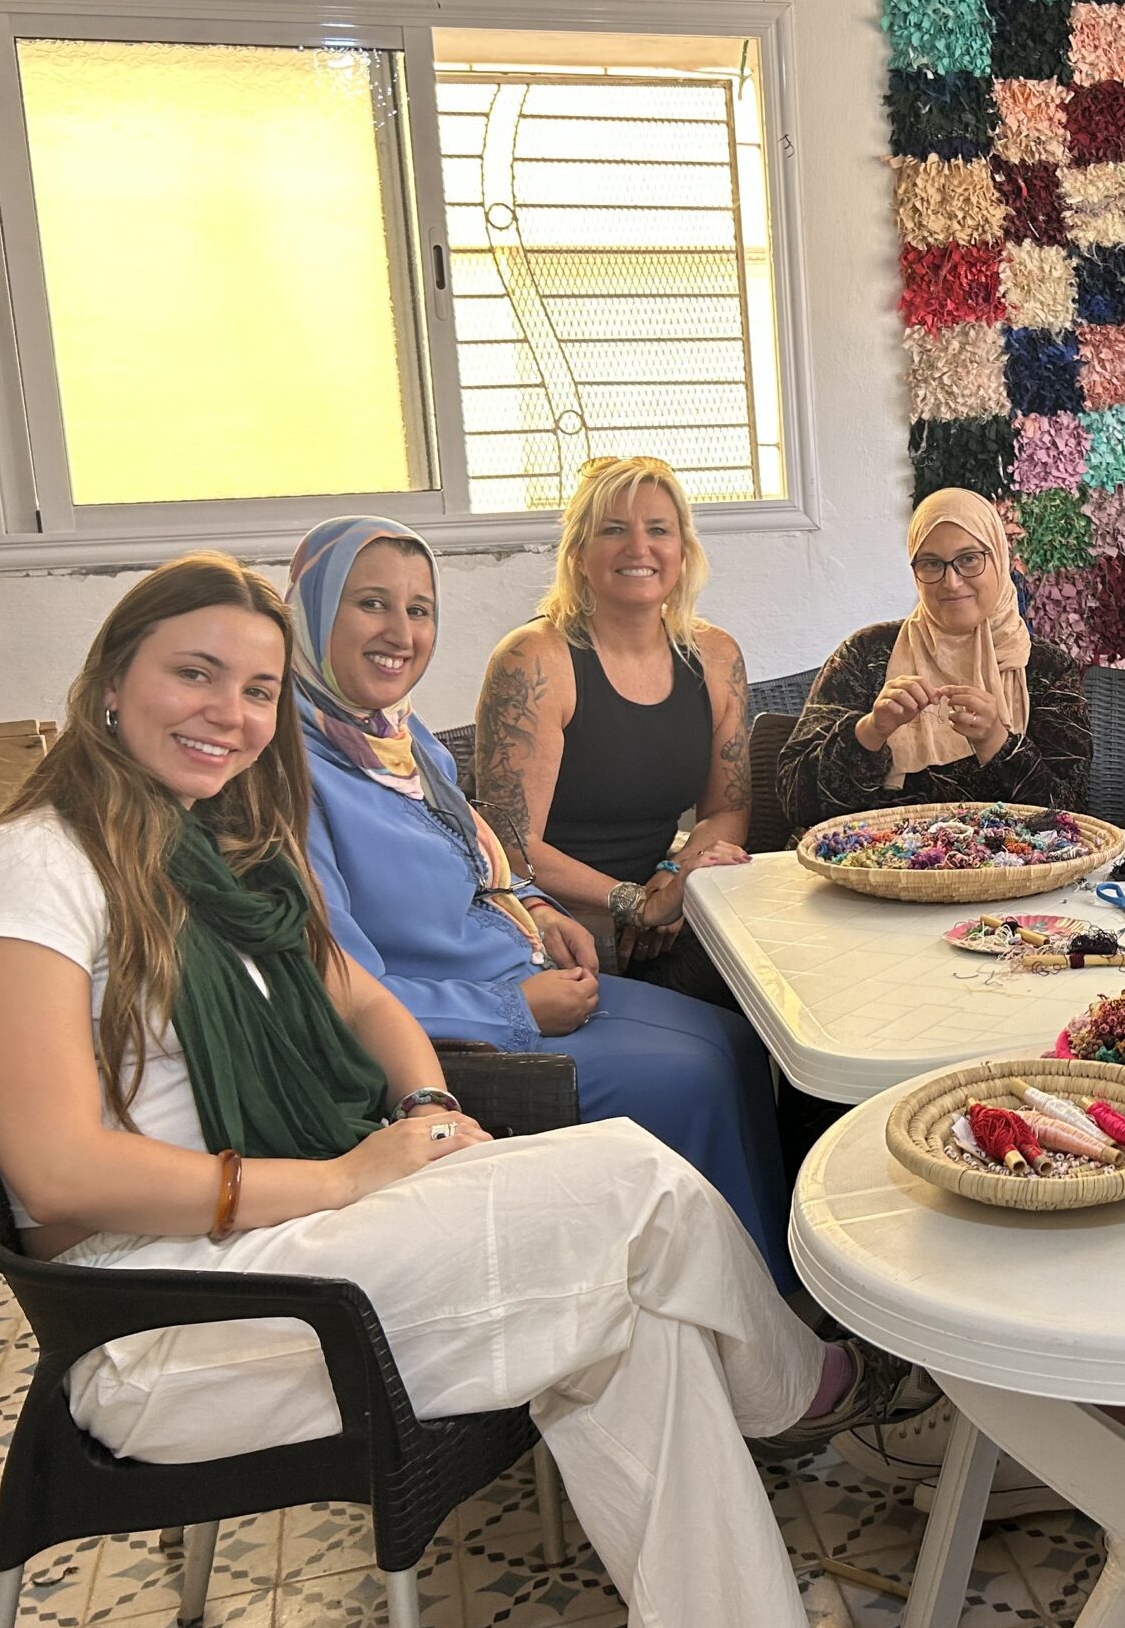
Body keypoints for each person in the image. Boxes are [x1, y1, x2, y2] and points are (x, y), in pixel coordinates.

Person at [0, 554, 910, 1628]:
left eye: (253, 689)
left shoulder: (219, 850)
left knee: (643, 1331)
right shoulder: (34, 867)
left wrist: (427, 1107)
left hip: (291, 1258)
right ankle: (801, 1387)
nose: (230, 715)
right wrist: (342, 1178)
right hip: (166, 1318)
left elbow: (363, 998)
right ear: (108, 686)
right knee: (636, 1187)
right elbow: (58, 1171)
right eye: (194, 674)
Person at [287, 516, 791, 1287]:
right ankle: (735, 1317)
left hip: (524, 967)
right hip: (470, 1027)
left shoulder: (396, 735)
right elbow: (335, 994)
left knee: (742, 1041)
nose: (400, 630)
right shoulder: (293, 776)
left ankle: (774, 1286)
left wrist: (544, 911)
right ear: (312, 612)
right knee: (695, 1077)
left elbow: (483, 855)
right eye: (370, 604)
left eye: (418, 609)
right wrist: (518, 1011)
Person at [472, 456, 752, 998]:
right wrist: (634, 902)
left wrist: (678, 880)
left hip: (664, 905)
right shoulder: (533, 659)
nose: (639, 548)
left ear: (683, 551)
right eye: (614, 530)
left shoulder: (717, 656)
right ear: (578, 553)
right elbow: (510, 845)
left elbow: (728, 809)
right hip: (549, 919)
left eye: (658, 531)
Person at [777, 486, 1090, 824]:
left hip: (1010, 872)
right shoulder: (865, 654)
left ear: (999, 559)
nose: (951, 582)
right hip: (873, 867)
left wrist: (996, 740)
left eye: (969, 559)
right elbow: (796, 802)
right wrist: (871, 730)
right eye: (931, 563)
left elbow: (1070, 817)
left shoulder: (1046, 669)